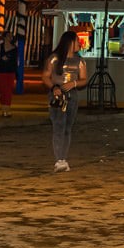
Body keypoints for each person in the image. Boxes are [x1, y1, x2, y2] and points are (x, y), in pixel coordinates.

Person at [42, 31, 88, 172]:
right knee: (58, 126)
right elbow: (45, 76)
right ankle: (59, 159)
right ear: (69, 42)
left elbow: (84, 79)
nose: (79, 44)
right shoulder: (54, 59)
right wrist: (54, 87)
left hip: (72, 96)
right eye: (76, 41)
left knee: (67, 127)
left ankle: (63, 158)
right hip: (57, 97)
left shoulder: (80, 61)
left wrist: (73, 84)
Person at [0, 31, 18, 117]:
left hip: (10, 72)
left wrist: (16, 74)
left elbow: (15, 62)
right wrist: (0, 59)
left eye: (11, 36)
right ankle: (4, 110)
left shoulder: (14, 48)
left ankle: (7, 109)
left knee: (8, 91)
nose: (11, 37)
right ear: (5, 37)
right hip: (1, 71)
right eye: (9, 36)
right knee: (3, 90)